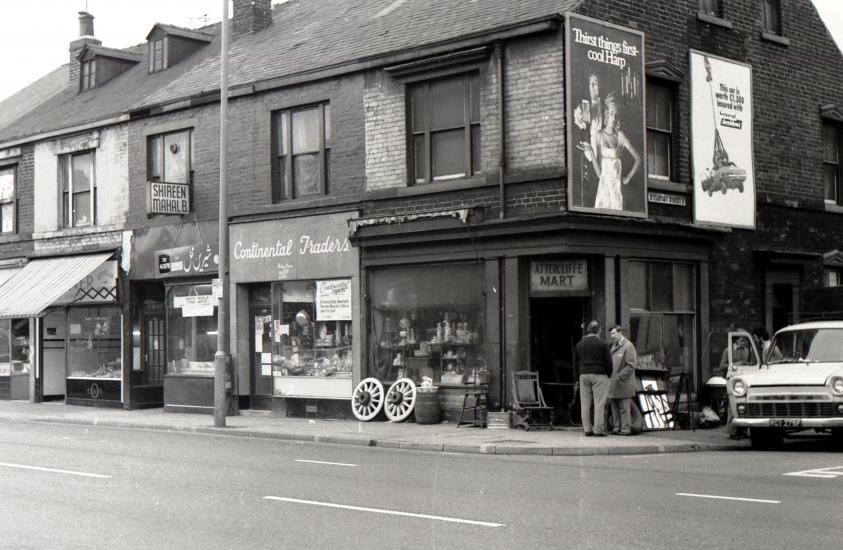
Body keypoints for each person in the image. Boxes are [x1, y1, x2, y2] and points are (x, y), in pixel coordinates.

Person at [583, 92, 642, 211]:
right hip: (603, 191)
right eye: (611, 112)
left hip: (617, 191)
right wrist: (591, 153)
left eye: (615, 113)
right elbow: (600, 173)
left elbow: (638, 158)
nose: (613, 116)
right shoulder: (599, 135)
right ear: (606, 113)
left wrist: (628, 178)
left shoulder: (620, 136)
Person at [575, 320, 613, 437]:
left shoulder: (580, 344)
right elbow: (609, 362)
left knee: (585, 404)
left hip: (583, 375)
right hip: (599, 375)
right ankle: (598, 430)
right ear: (599, 331)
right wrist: (609, 374)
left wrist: (578, 376)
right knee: (599, 403)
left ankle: (587, 429)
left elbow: (576, 362)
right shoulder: (602, 344)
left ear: (588, 330)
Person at [608, 325, 638, 435]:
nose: (612, 336)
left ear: (620, 332)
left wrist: (619, 376)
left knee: (624, 407)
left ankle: (625, 429)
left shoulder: (628, 346)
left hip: (623, 383)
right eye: (611, 334)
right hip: (614, 382)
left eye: (614, 333)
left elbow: (631, 365)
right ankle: (616, 428)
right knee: (615, 407)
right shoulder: (614, 346)